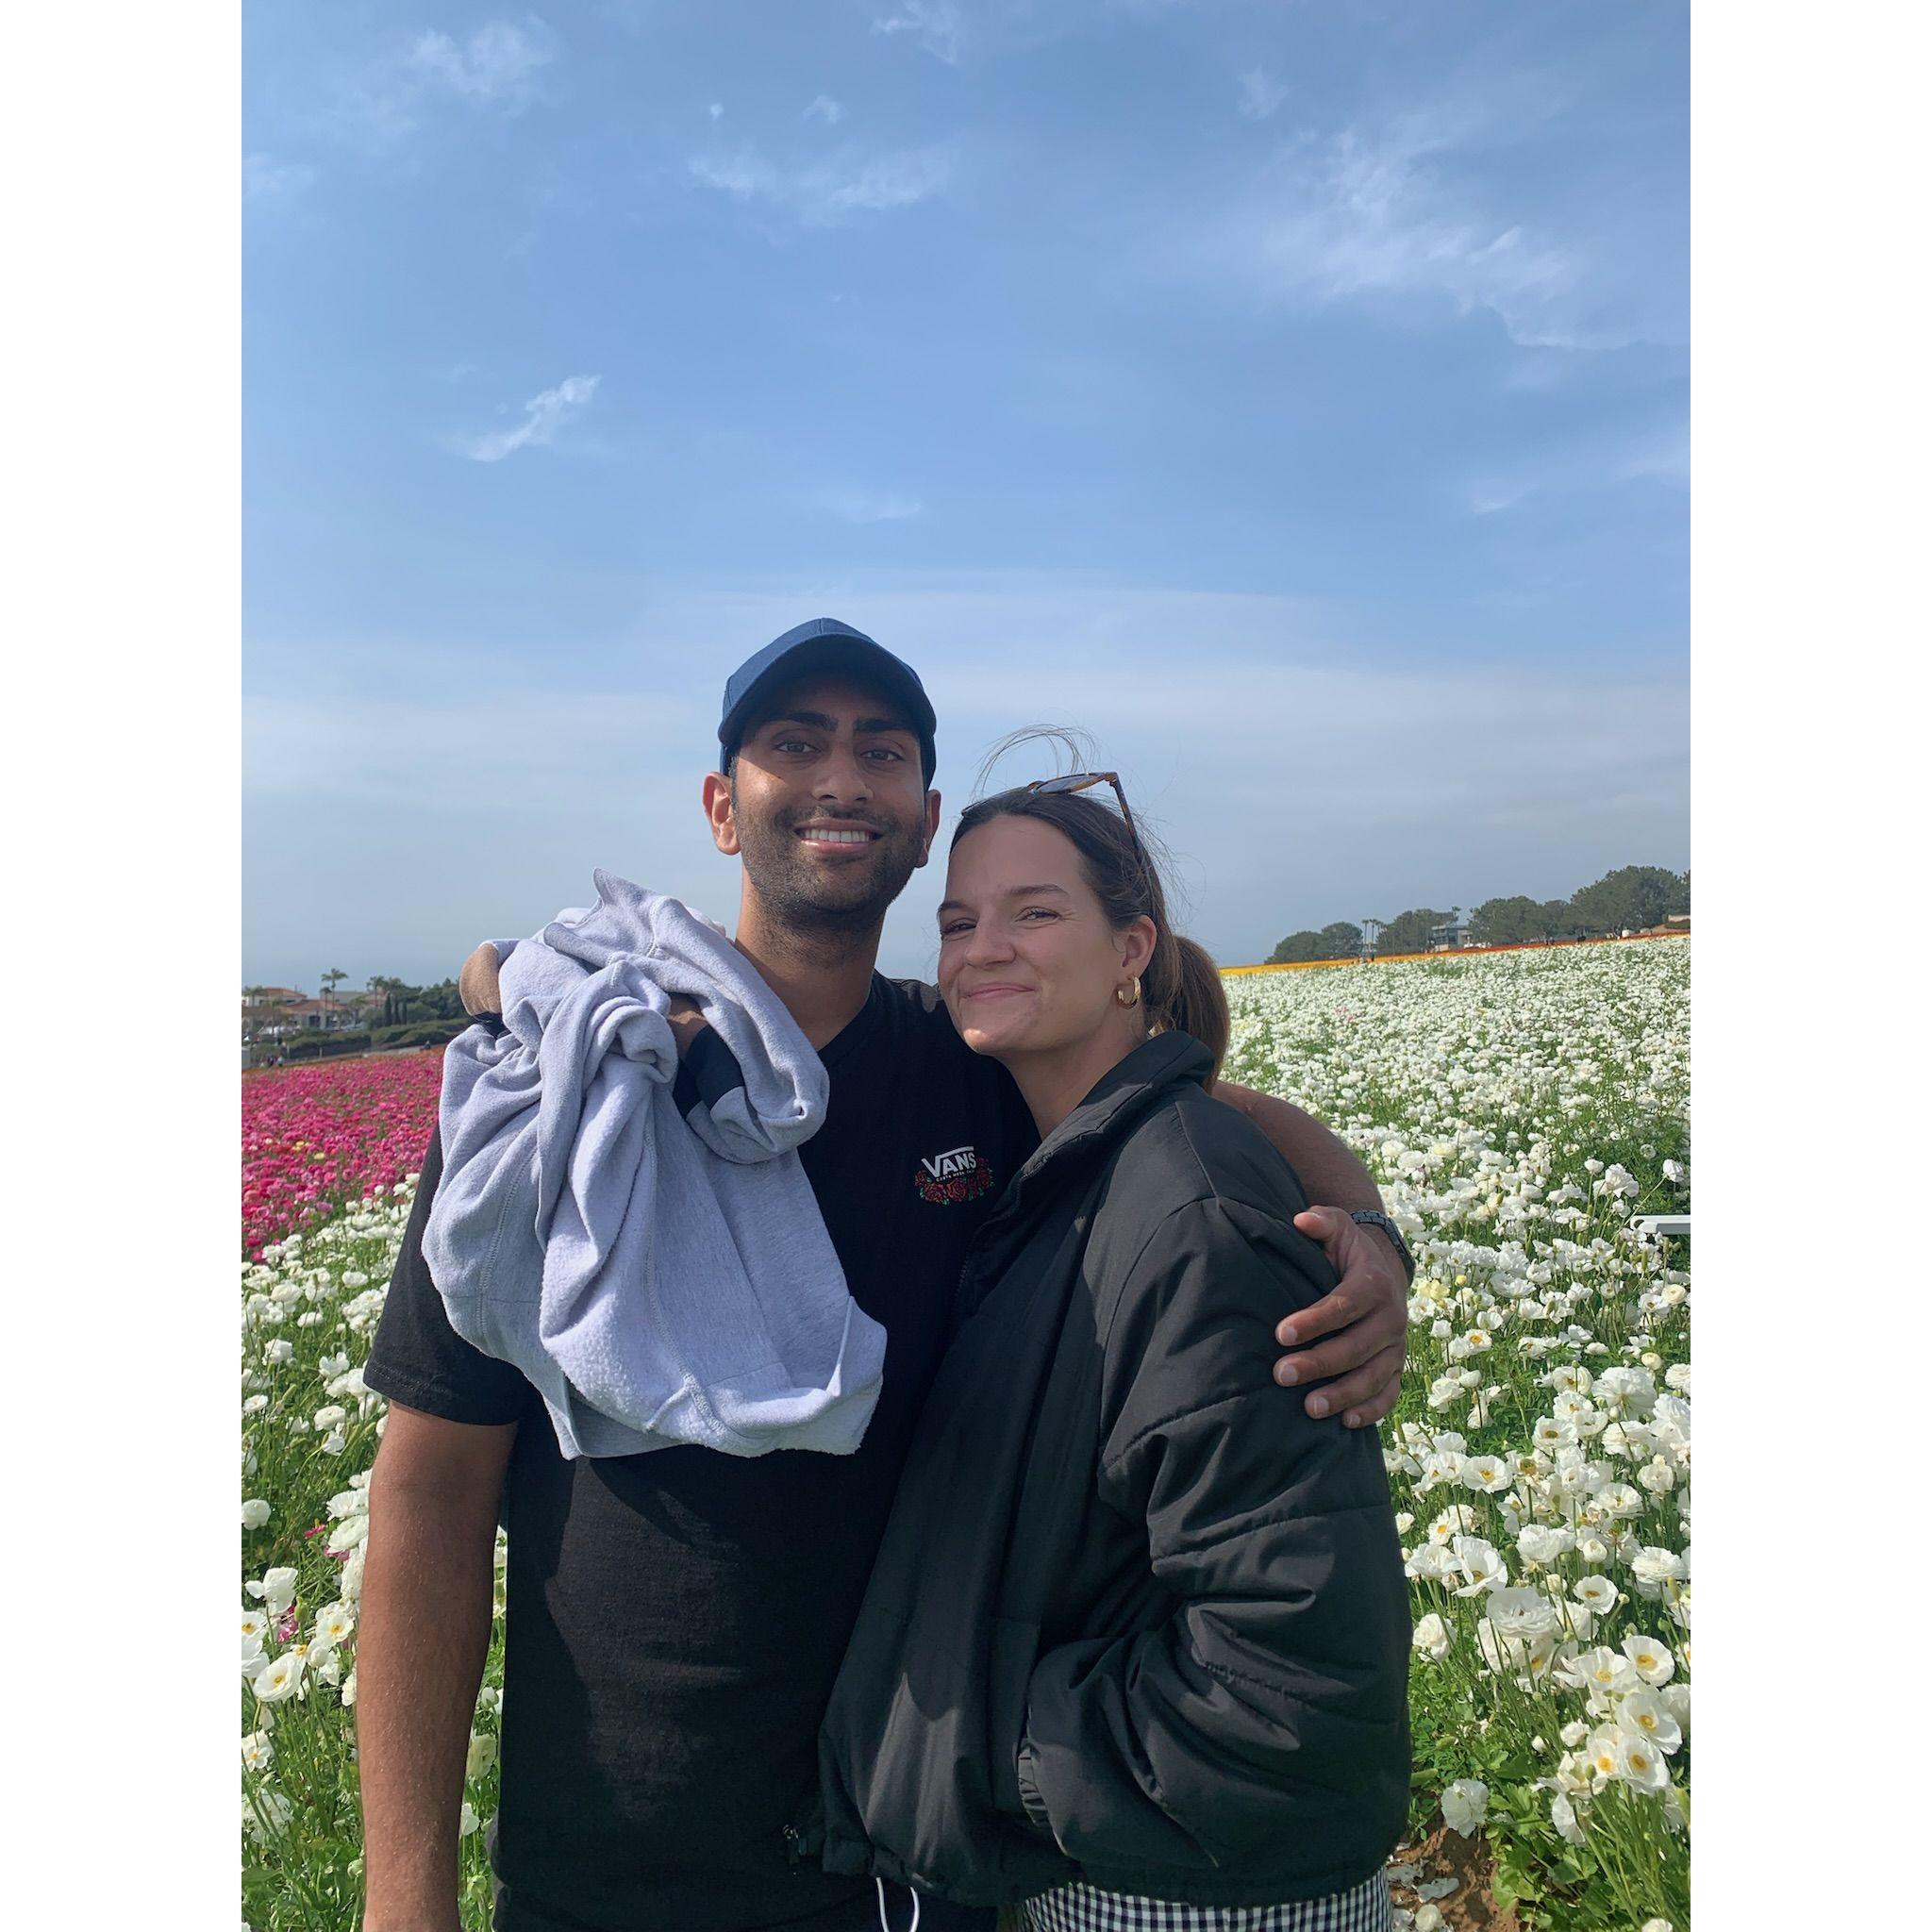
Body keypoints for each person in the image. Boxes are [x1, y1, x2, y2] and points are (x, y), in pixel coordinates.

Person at [357, 621, 1415, 1932]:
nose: (839, 779)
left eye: (881, 752)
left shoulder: (974, 1066)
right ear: (721, 805)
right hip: (613, 1868)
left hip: (919, 1857)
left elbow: (1205, 1114)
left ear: (920, 822)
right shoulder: (571, 1084)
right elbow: (429, 1491)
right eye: (793, 743)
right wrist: (404, 1895)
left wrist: (1366, 1233)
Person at [800, 774, 1409, 1929]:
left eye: (1033, 912)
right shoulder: (1068, 1150)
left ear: (1131, 947)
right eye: (958, 921)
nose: (984, 947)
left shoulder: (1188, 1211)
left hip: (1185, 1886)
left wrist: (989, 1745)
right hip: (1123, 1846)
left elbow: (1290, 1684)